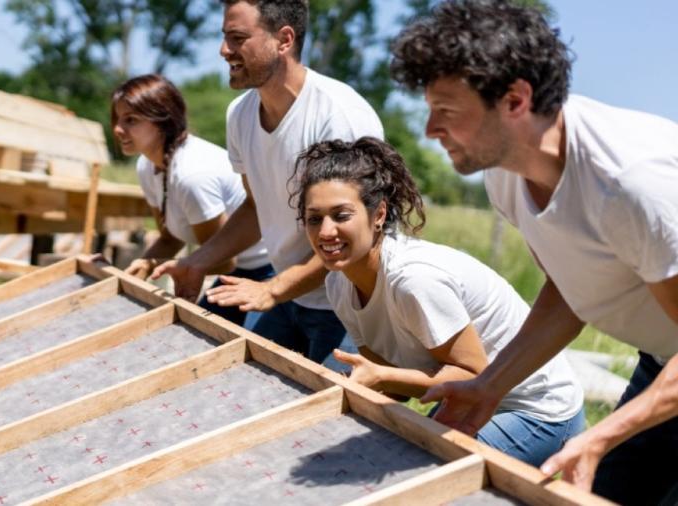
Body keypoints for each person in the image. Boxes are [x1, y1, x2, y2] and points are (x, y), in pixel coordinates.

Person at [389, 0, 678, 502]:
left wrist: (601, 435)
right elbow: (568, 293)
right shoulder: (506, 175)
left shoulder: (632, 184)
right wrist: (490, 386)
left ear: (515, 100)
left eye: (447, 111)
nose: (430, 129)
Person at [292, 136, 584, 466]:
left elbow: (472, 377)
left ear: (379, 215)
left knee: (423, 474)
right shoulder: (338, 284)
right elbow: (391, 382)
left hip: (536, 408)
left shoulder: (413, 280)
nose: (325, 231)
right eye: (314, 218)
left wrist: (381, 379)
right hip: (467, 401)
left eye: (341, 215)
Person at [151, 0, 384, 366]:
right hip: (288, 292)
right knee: (240, 383)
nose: (223, 50)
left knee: (330, 402)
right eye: (225, 37)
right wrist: (197, 262)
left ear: (284, 40)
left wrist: (273, 289)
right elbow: (255, 206)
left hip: (350, 305)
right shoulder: (240, 114)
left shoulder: (339, 116)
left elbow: (355, 234)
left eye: (238, 38)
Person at [110, 74, 273, 326]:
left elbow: (223, 260)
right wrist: (141, 266)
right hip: (235, 271)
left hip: (268, 270)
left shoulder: (192, 176)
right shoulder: (147, 166)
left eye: (130, 120)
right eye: (117, 119)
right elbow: (169, 238)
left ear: (162, 120)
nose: (118, 129)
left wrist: (157, 265)